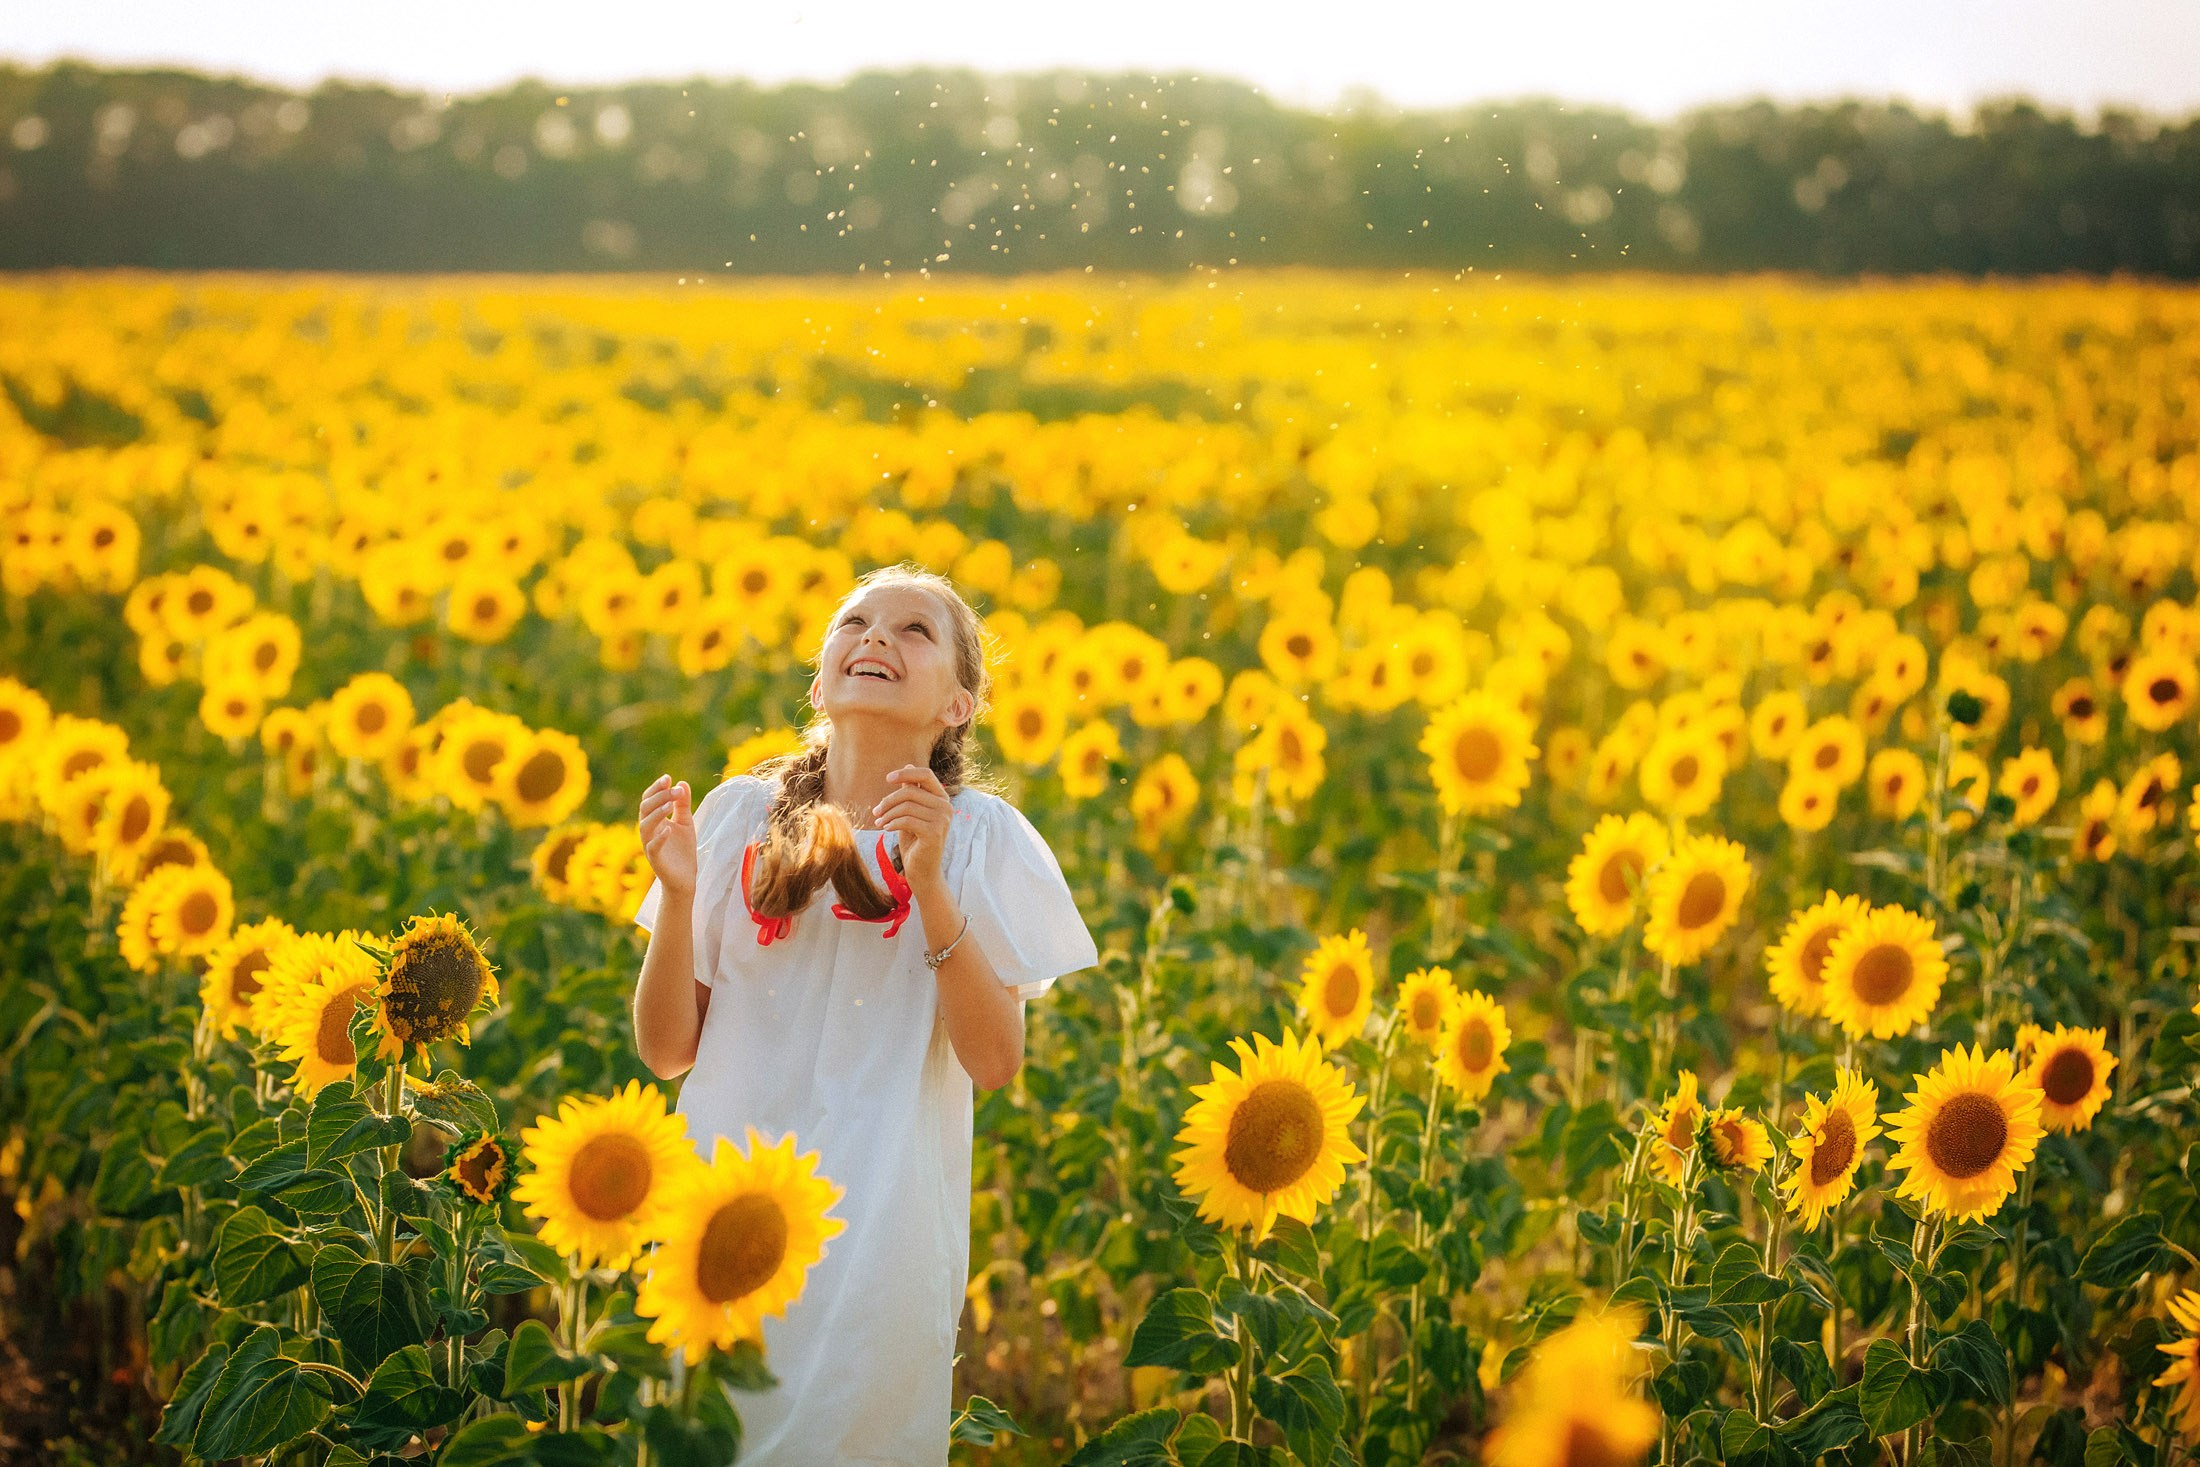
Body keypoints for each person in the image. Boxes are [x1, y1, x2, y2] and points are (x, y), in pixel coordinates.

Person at [629, 562, 1100, 1465]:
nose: (877, 636)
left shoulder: (977, 838)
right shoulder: (739, 816)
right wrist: (679, 895)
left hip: (882, 1228)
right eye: (854, 621)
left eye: (915, 630)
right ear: (819, 682)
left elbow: (995, 1060)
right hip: (721, 1214)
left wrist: (930, 886)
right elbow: (665, 1049)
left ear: (958, 705)